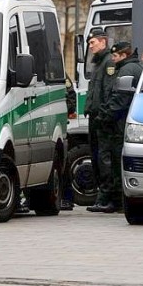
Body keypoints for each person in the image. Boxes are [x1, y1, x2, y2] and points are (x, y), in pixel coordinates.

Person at [94, 42, 143, 214]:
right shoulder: (138, 67)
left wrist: (105, 117)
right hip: (128, 121)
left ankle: (116, 201)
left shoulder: (126, 70)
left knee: (115, 163)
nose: (112, 60)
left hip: (118, 124)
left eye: (115, 56)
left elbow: (119, 99)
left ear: (123, 55)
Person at [84, 28, 116, 213]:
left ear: (103, 42)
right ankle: (102, 197)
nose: (90, 46)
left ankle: (107, 198)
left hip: (102, 119)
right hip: (95, 117)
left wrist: (103, 115)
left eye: (92, 42)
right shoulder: (98, 63)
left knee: (104, 159)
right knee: (97, 157)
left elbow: (109, 92)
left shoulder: (108, 63)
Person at [61, 77, 78, 211]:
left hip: (58, 123)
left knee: (63, 162)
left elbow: (71, 102)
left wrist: (61, 111)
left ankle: (67, 198)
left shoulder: (61, 75)